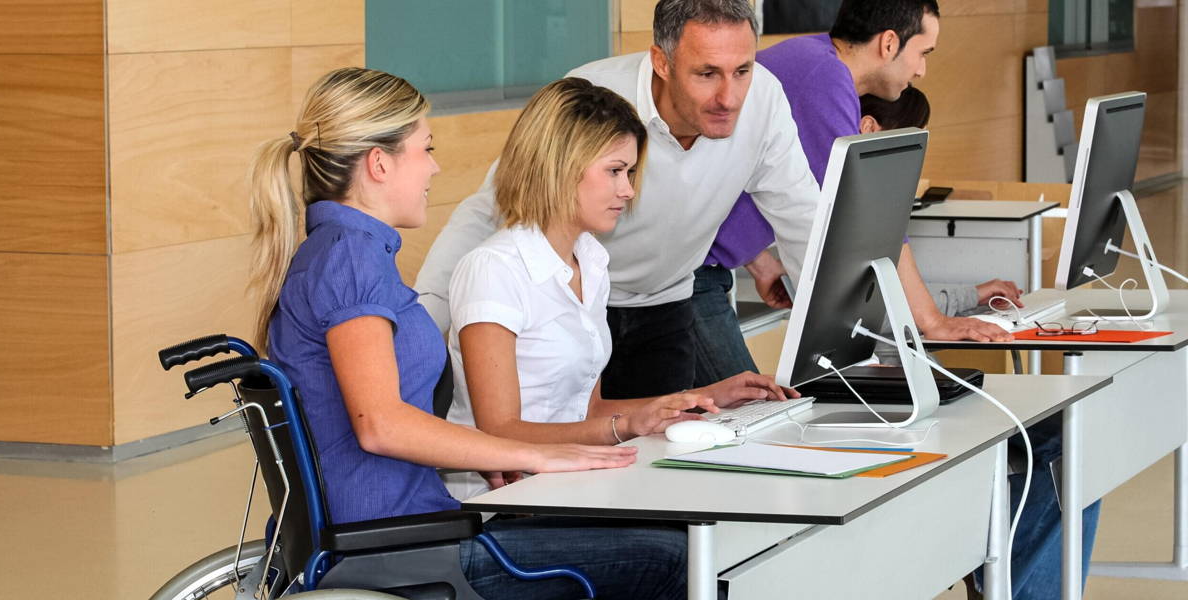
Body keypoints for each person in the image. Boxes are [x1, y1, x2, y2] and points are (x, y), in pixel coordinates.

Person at [417, 0, 1003, 404]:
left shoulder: (764, 100)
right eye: (706, 75)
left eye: (742, 70)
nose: (729, 97)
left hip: (668, 303)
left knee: (666, 479)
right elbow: (491, 211)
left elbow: (807, 225)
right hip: (570, 308)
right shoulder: (591, 98)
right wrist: (425, 322)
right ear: (661, 63)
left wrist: (866, 351)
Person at [249, 66, 688, 599]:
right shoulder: (349, 260)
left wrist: (503, 453)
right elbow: (381, 425)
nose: (435, 168)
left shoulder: (344, 252)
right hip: (402, 546)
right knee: (670, 557)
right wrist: (526, 453)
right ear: (380, 163)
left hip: (408, 530)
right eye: (426, 148)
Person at [442, 77, 793, 500]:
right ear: (560, 167)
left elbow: (590, 412)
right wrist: (626, 427)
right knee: (684, 537)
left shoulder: (590, 260)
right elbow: (500, 432)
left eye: (628, 172)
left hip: (571, 482)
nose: (627, 190)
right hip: (501, 503)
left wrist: (700, 397)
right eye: (614, 172)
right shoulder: (493, 269)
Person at [694, 0, 1013, 388]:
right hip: (688, 276)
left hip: (700, 264)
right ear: (890, 43)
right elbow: (869, 213)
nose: (921, 71)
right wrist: (931, 321)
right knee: (743, 418)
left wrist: (759, 262)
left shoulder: (812, 59)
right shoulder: (824, 77)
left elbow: (741, 176)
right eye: (922, 54)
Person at [859, 86, 1024, 320]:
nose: (919, 156)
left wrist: (972, 296)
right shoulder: (859, 211)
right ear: (868, 128)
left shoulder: (874, 199)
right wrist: (968, 297)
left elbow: (900, 298)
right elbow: (880, 316)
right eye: (914, 142)